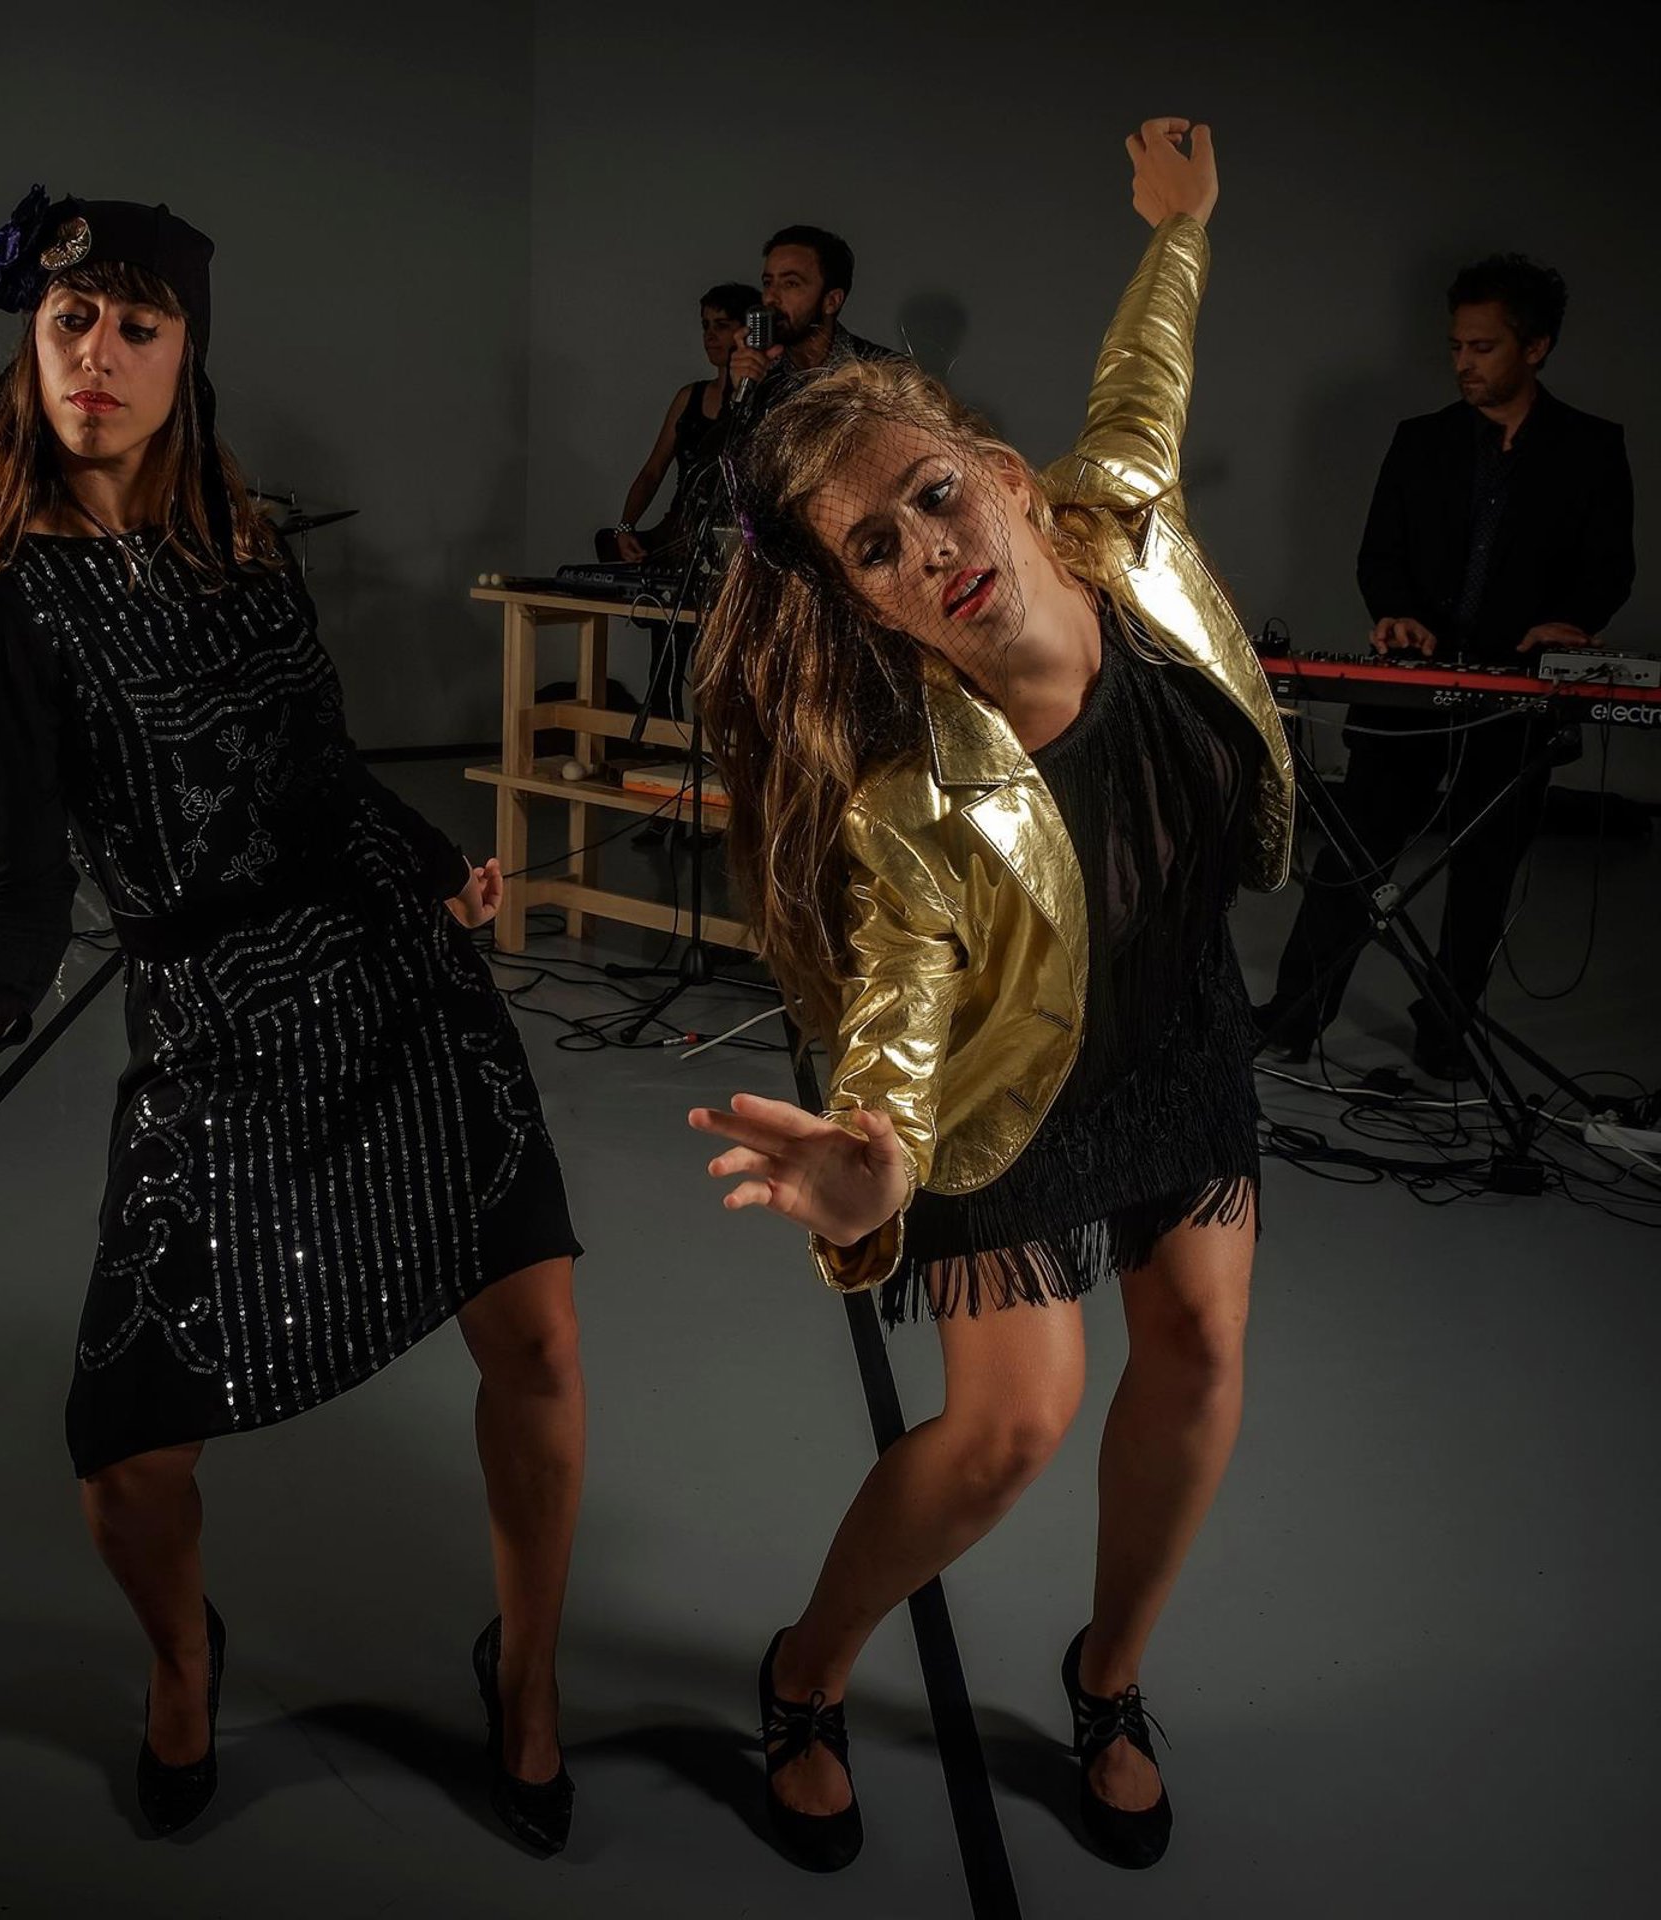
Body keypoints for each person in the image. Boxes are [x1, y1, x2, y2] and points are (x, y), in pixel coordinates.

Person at [0, 187, 585, 1854]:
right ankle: (184, 1660)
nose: (95, 353)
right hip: (215, 1026)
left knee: (536, 1338)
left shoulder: (243, 545)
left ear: (187, 354)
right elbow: (23, 901)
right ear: (31, 345)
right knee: (126, 1457)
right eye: (69, 321)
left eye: (136, 326)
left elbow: (324, 776)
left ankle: (527, 1677)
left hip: (396, 982)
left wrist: (436, 867)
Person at [690, 121, 1293, 1875]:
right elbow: (896, 1002)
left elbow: (1147, 368)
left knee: (1201, 1349)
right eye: (874, 550)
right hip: (1002, 1089)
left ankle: (1107, 1681)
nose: (927, 549)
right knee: (1011, 1427)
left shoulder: (1124, 515)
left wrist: (1181, 224)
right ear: (869, 608)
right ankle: (806, 1673)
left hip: (1175, 1026)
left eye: (937, 496)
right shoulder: (912, 805)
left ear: (1012, 480)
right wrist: (874, 1157)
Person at [1255, 253, 1635, 1076]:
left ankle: (1444, 1029)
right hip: (1414, 682)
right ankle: (1291, 1014)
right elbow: (1380, 555)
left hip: (1517, 690)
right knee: (1356, 851)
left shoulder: (1591, 449)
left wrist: (1570, 622)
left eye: (1483, 347)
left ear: (1535, 347)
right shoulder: (1420, 441)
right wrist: (1396, 612)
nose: (1463, 362)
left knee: (1486, 871)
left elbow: (1611, 568)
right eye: (1457, 346)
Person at [598, 280, 762, 565]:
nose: (710, 336)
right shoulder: (689, 397)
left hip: (732, 535)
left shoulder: (763, 400)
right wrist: (625, 527)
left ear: (746, 332)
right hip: (679, 530)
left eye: (721, 326)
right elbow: (653, 471)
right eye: (705, 326)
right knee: (608, 546)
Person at [726, 224, 901, 423]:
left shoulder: (883, 372)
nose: (770, 298)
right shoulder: (762, 371)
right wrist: (741, 393)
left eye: (790, 283)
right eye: (768, 283)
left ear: (832, 301)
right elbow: (726, 442)